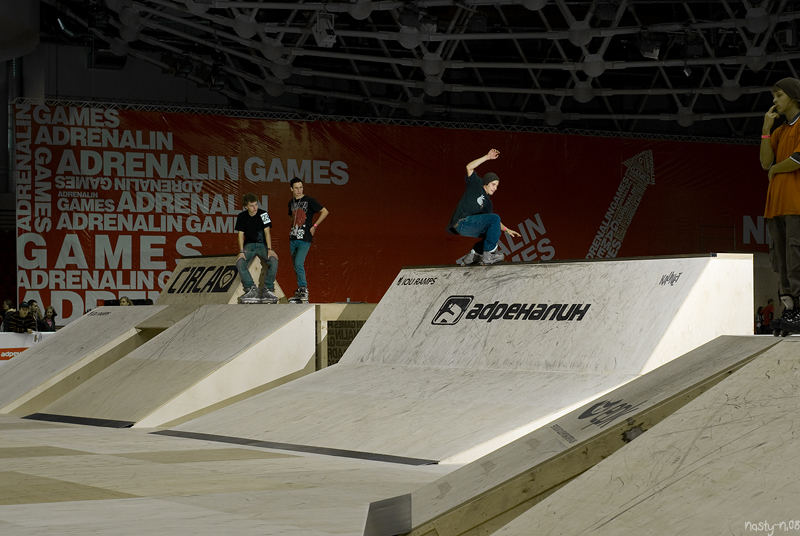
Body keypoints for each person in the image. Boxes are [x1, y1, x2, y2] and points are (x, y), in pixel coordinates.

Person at [760, 77, 800, 329]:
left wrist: (775, 170)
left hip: (796, 204)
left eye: (779, 95)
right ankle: (789, 309)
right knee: (780, 259)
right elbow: (765, 162)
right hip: (775, 206)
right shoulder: (779, 131)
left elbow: (797, 160)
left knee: (796, 255)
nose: (775, 100)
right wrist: (766, 129)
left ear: (794, 96)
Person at [448, 148, 521, 265]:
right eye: (493, 184)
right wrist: (487, 157)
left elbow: (495, 222)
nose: (495, 188)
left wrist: (507, 230)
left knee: (493, 229)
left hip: (468, 225)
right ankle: (489, 255)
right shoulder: (476, 184)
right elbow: (469, 167)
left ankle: (473, 254)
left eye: (497, 186)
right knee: (495, 219)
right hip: (462, 222)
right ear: (486, 183)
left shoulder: (487, 203)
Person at [287, 178, 328, 304]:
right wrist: (295, 224)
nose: (299, 190)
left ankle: (304, 289)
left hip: (304, 238)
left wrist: (314, 226)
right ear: (291, 189)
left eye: (301, 187)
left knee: (299, 263)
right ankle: (300, 290)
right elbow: (291, 215)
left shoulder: (309, 200)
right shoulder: (291, 202)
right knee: (296, 265)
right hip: (293, 237)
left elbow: (325, 211)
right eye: (296, 188)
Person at [236, 192, 279, 304]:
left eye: (256, 204)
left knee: (273, 261)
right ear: (246, 206)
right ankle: (251, 288)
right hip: (249, 245)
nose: (255, 208)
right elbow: (240, 234)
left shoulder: (263, 214)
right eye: (252, 206)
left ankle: (268, 289)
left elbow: (267, 232)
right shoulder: (241, 216)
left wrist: (269, 249)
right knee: (240, 262)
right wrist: (241, 251)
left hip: (262, 245)